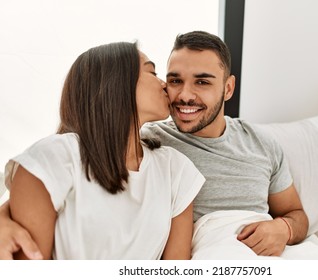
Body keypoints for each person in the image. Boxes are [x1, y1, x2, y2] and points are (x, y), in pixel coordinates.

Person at [0, 31, 307, 259]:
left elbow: (295, 212)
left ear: (228, 88)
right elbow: (41, 182)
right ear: (117, 86)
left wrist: (285, 229)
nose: (180, 93)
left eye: (202, 82)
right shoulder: (152, 139)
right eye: (171, 78)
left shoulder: (251, 145)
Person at [0, 42, 205, 260]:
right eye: (152, 72)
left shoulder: (176, 170)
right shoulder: (54, 158)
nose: (165, 84)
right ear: (116, 82)